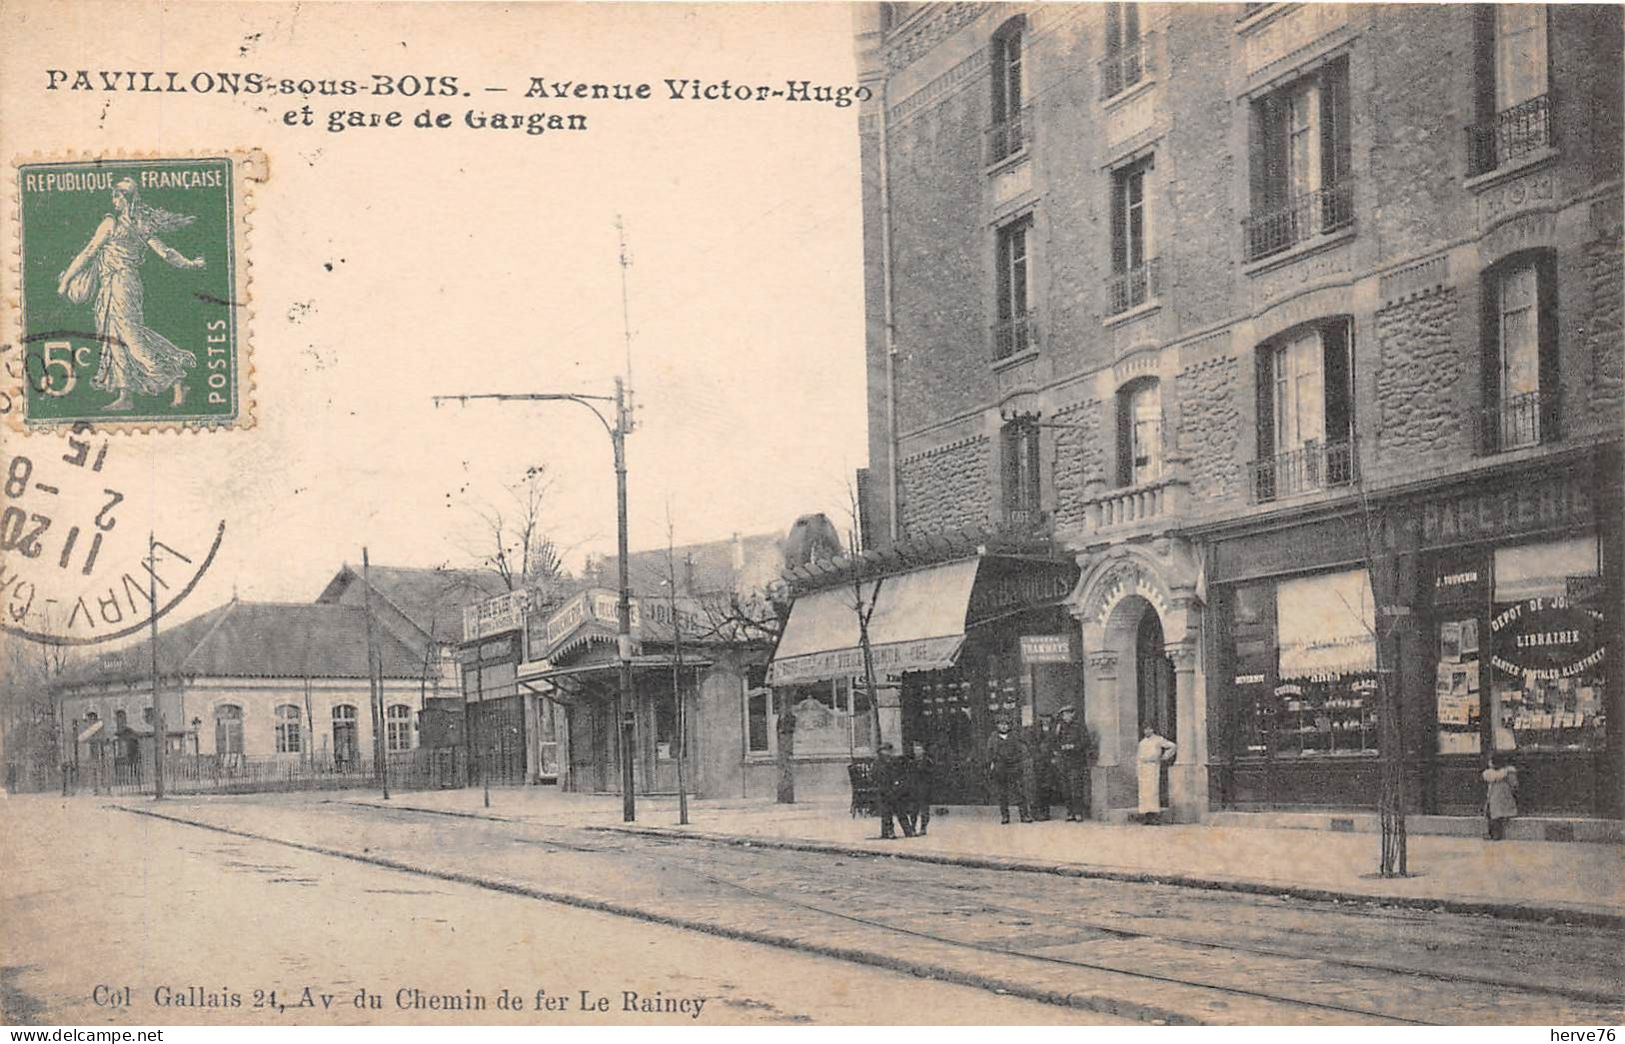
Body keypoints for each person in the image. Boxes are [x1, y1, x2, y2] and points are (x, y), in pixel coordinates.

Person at [56, 178, 205, 411]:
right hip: (113, 285)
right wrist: (190, 264)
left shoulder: (112, 223)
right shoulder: (139, 224)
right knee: (115, 337)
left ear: (125, 198)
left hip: (122, 284)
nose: (113, 200)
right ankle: (125, 395)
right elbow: (166, 253)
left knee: (132, 338)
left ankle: (176, 378)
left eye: (116, 196)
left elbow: (88, 253)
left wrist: (65, 281)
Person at [986, 718, 1031, 824]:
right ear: (997, 725)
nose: (1004, 726)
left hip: (1014, 767)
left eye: (1006, 724)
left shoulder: (1014, 736)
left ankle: (1024, 815)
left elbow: (1021, 751)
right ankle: (1005, 816)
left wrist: (1019, 763)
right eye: (1001, 724)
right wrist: (992, 764)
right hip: (1000, 767)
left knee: (1019, 791)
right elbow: (989, 753)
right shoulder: (993, 738)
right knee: (1002, 793)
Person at [1053, 704, 1092, 822]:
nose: (1066, 716)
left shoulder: (1079, 726)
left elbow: (1086, 741)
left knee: (1076, 788)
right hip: (1063, 761)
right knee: (1065, 788)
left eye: (1068, 713)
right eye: (1064, 714)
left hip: (1076, 761)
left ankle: (1078, 812)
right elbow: (1055, 742)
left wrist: (1074, 746)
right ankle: (1070, 812)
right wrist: (1060, 749)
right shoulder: (1060, 727)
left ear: (1073, 714)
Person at [1136, 724, 1177, 825]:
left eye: (1149, 728)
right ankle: (1146, 816)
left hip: (1153, 767)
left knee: (1153, 791)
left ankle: (1154, 816)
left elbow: (1172, 746)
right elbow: (1138, 758)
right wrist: (1138, 770)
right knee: (1144, 793)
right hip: (1143, 769)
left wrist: (1165, 756)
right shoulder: (1142, 742)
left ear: (1153, 729)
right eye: (1145, 729)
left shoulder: (1158, 740)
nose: (1147, 731)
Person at [873, 742, 913, 840]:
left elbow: (900, 774)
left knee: (900, 811)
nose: (887, 753)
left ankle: (907, 830)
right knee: (887, 812)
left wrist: (898, 783)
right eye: (884, 751)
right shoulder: (878, 763)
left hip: (895, 789)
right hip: (884, 790)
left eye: (888, 751)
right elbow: (875, 776)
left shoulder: (894, 762)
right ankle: (889, 832)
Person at [1482, 753, 1519, 841]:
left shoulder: (1490, 774)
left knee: (1492, 815)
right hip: (1506, 798)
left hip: (1493, 798)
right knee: (1498, 815)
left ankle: (1493, 834)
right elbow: (1514, 785)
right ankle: (1495, 834)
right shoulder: (1509, 773)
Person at [904, 740, 934, 836]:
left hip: (924, 788)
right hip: (913, 788)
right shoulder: (911, 762)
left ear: (923, 751)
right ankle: (913, 827)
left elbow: (931, 774)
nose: (917, 752)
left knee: (924, 810)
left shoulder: (927, 761)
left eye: (919, 749)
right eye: (915, 750)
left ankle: (923, 827)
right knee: (913, 810)